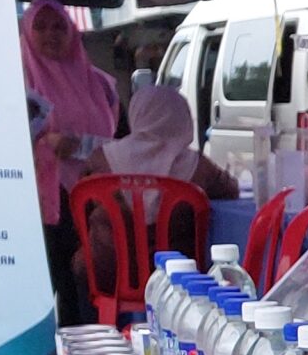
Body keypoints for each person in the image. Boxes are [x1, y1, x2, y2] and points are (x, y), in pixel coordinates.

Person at [75, 82, 239, 295]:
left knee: (83, 266)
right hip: (177, 278)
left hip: (106, 273)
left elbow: (81, 202)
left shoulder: (101, 159)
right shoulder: (199, 167)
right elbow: (231, 190)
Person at [21, 0, 118, 324]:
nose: (51, 34)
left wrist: (81, 146)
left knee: (89, 284)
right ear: (26, 32)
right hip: (43, 199)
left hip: (97, 198)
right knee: (55, 283)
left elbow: (119, 142)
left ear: (72, 31)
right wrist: (42, 143)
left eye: (59, 27)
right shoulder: (16, 83)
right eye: (41, 26)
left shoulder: (101, 85)